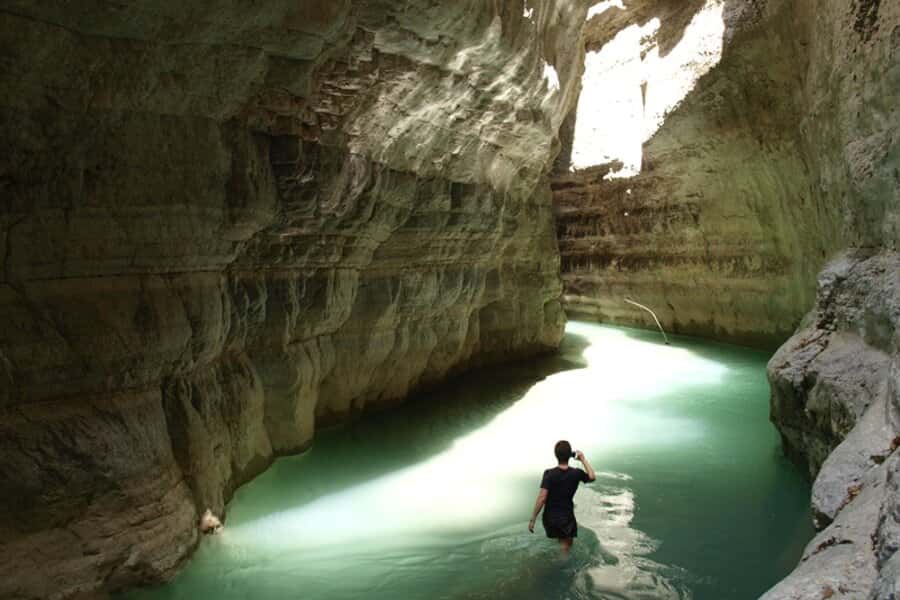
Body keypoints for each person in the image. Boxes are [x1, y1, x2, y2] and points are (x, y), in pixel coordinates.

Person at [528, 440, 595, 553]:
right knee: (565, 549)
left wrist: (533, 519)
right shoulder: (576, 473)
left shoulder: (549, 474)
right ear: (570, 455)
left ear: (556, 455)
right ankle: (561, 565)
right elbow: (592, 477)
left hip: (549, 519)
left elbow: (542, 498)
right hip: (566, 518)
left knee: (558, 541)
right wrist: (583, 459)